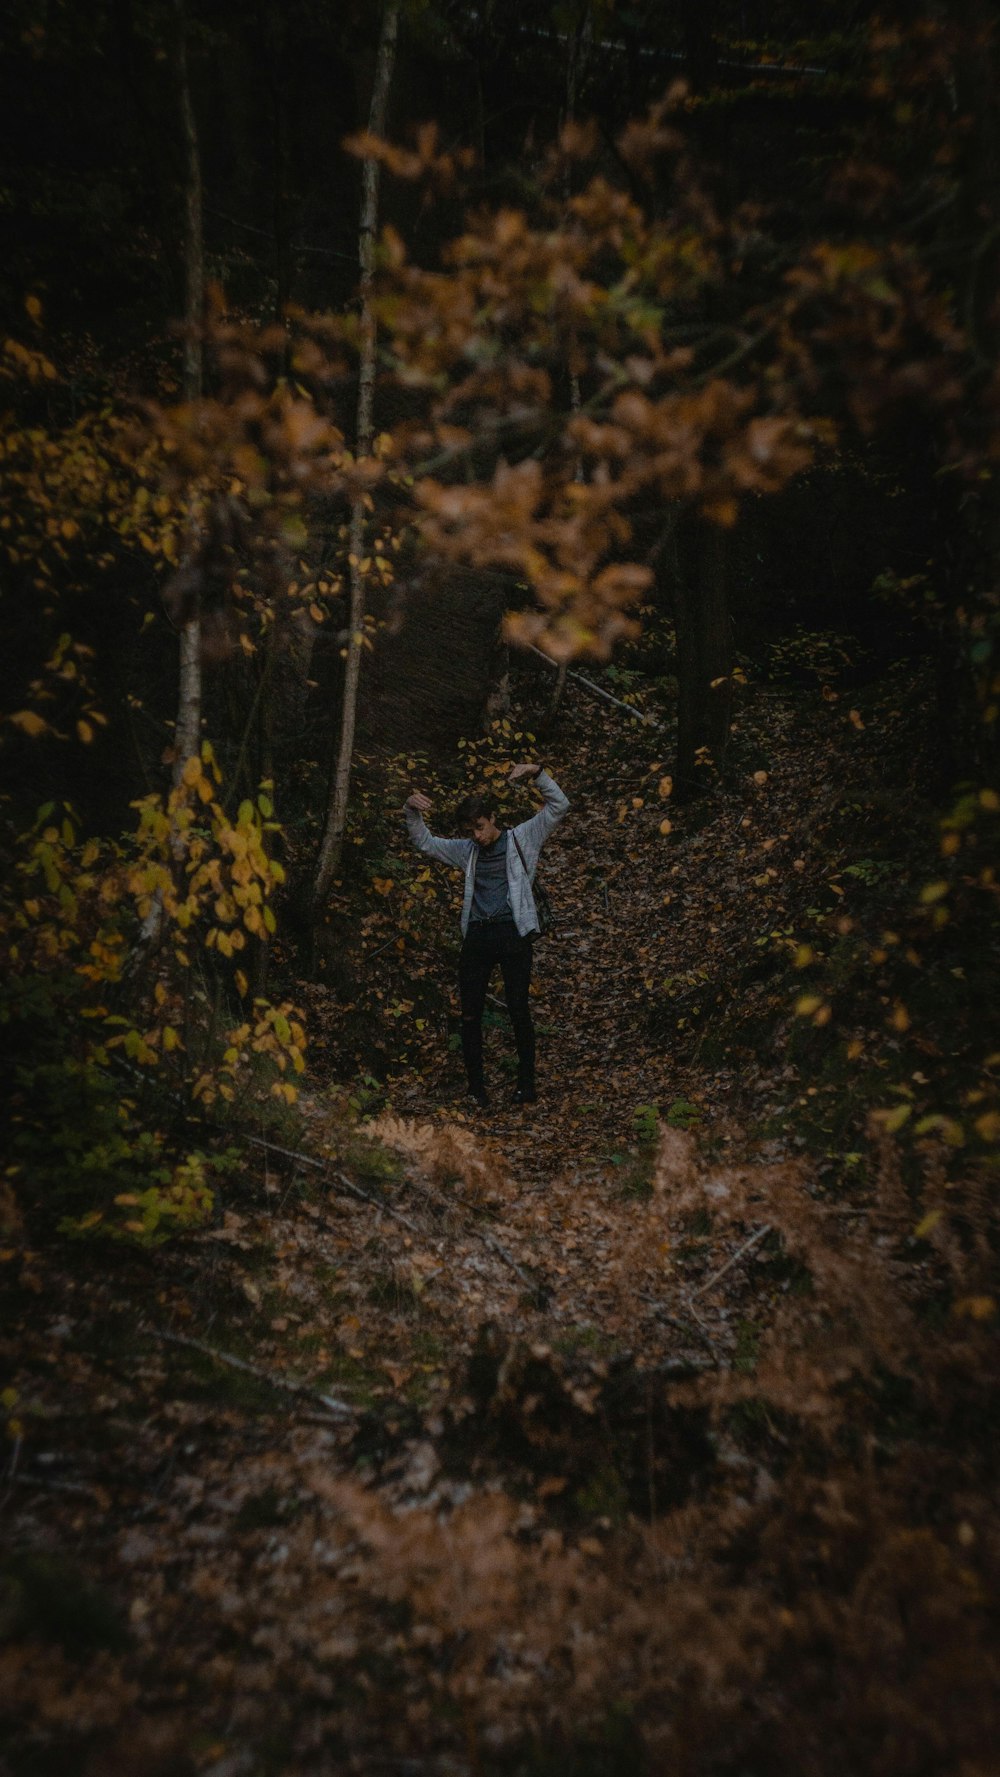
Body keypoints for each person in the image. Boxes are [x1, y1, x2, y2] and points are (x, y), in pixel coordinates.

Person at [404, 763, 569, 1108]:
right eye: (470, 831)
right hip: (477, 936)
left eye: (480, 827)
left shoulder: (523, 837)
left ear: (493, 818)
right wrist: (411, 810)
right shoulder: (467, 851)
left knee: (519, 1009)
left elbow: (559, 806)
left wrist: (537, 773)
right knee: (470, 1014)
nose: (477, 836)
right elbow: (425, 843)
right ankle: (476, 1089)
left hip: (513, 934)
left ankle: (526, 1085)